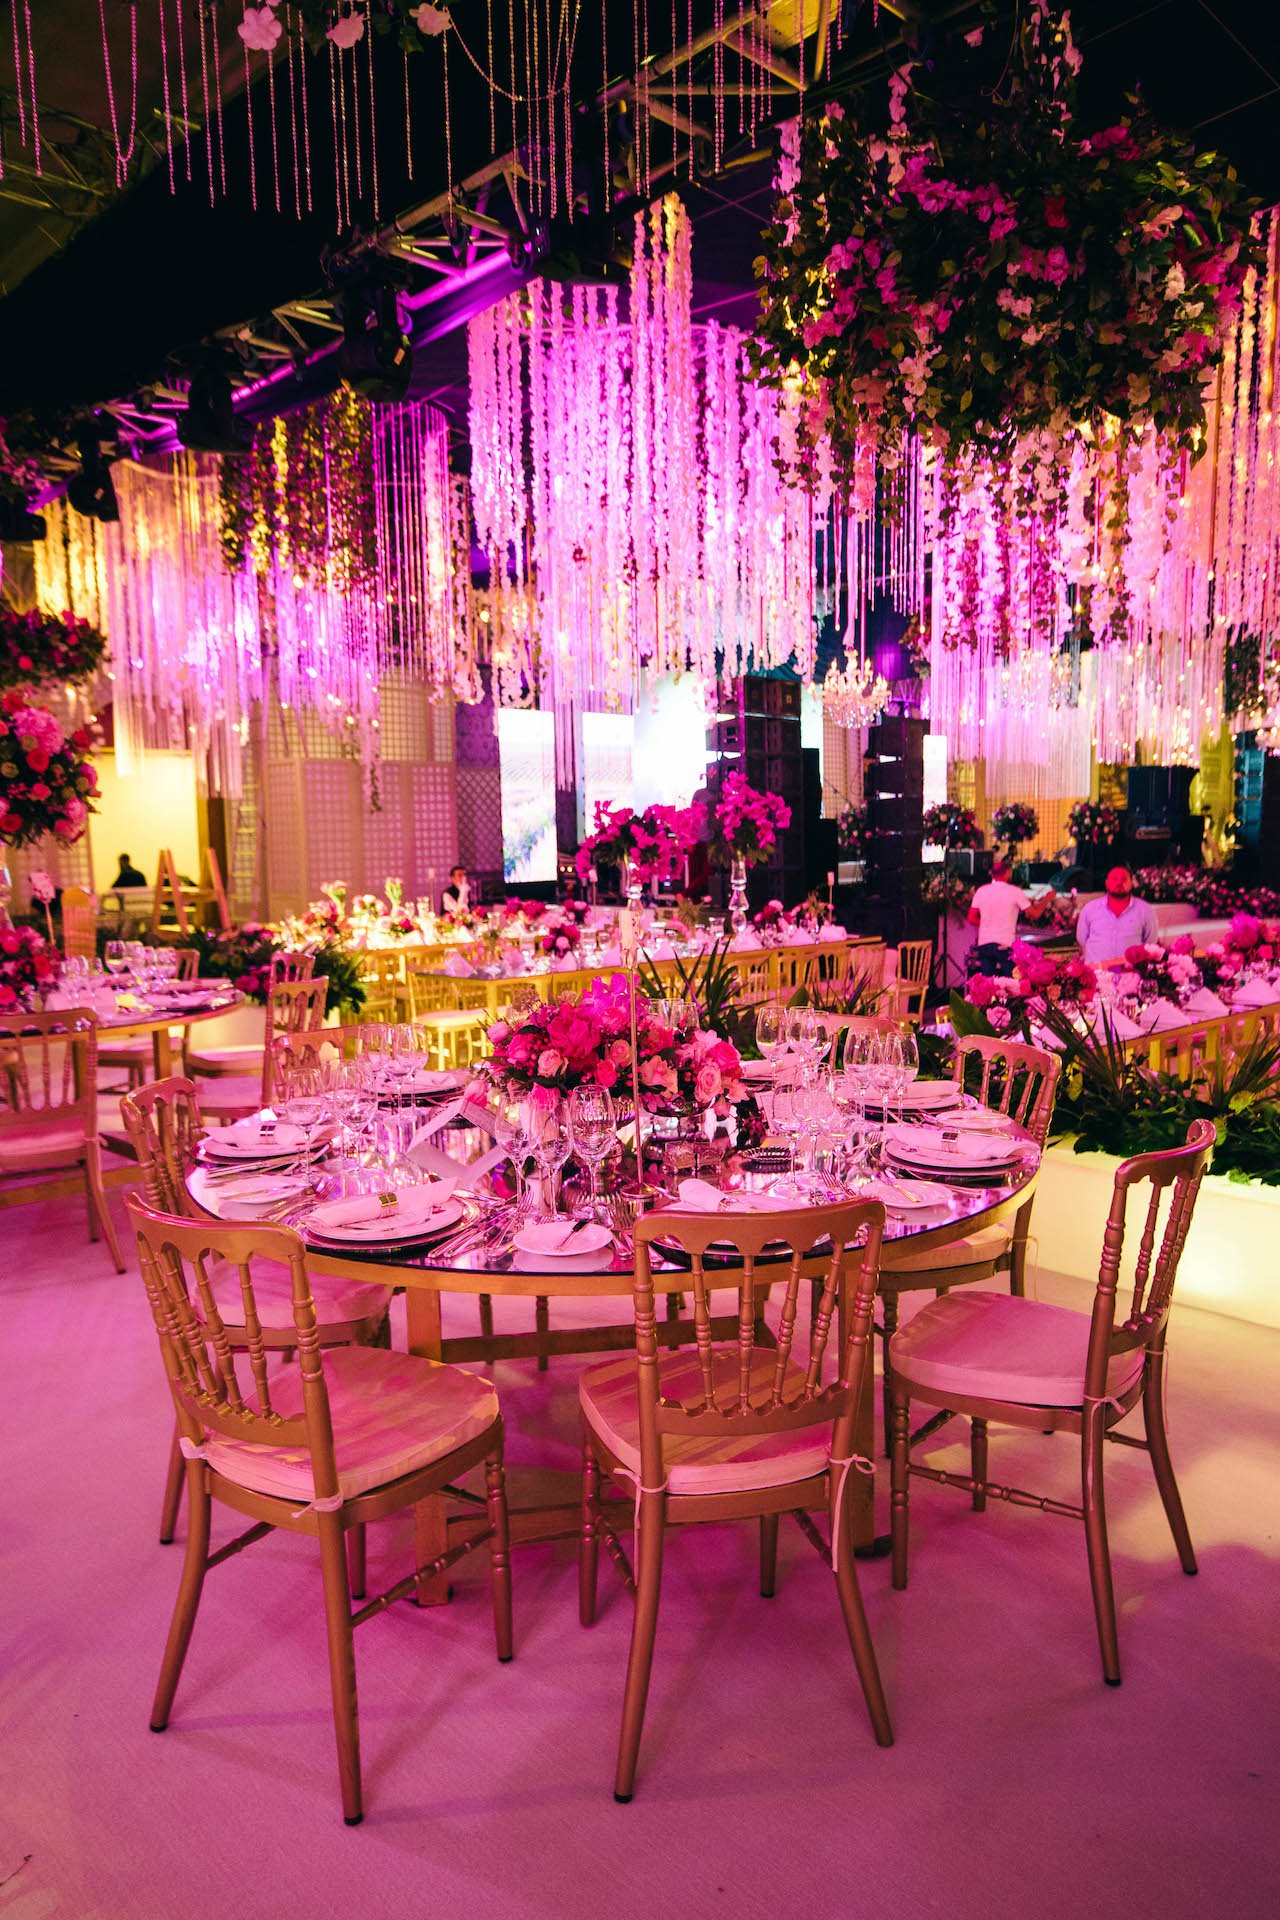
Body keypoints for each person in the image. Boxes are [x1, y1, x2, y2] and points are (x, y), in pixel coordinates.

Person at [1075, 866, 1158, 967]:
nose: (1119, 883)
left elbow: (1150, 943)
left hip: (1131, 973)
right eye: (1114, 879)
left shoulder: (1145, 910)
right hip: (1096, 972)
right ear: (1106, 883)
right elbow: (1082, 939)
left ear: (1131, 883)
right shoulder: (1090, 909)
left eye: (1124, 879)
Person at [966, 860, 1029, 975]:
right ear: (1007, 873)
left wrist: (988, 925)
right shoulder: (1015, 891)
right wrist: (1047, 899)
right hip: (1005, 943)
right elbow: (1034, 914)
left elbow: (971, 918)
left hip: (985, 943)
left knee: (987, 981)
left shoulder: (981, 891)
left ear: (992, 874)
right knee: (1010, 980)